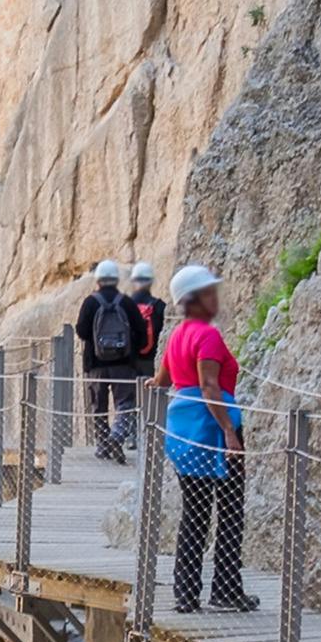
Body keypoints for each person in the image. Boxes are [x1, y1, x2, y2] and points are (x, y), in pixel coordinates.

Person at [152, 265, 258, 614]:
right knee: (229, 511)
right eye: (209, 293)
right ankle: (226, 590)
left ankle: (186, 592)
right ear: (193, 300)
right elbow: (210, 385)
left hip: (184, 434)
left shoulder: (178, 335)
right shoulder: (208, 336)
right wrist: (229, 431)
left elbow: (163, 380)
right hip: (213, 430)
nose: (216, 298)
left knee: (194, 512)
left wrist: (148, 388)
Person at [76, 259, 151, 462]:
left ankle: (102, 445)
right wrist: (131, 350)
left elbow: (81, 331)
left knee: (97, 406)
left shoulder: (90, 302)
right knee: (125, 403)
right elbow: (141, 333)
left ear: (98, 280)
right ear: (116, 280)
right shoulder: (125, 302)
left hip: (95, 365)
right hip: (123, 364)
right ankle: (117, 435)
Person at [126, 262, 166, 452]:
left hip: (129, 361)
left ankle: (132, 437)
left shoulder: (124, 305)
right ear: (151, 282)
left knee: (130, 399)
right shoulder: (159, 306)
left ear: (133, 281)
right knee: (151, 397)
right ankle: (149, 437)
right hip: (152, 359)